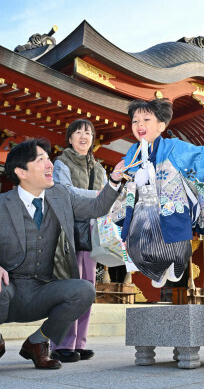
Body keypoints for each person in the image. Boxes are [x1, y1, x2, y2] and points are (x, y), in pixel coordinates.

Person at [0, 139, 122, 369]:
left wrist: (114, 180)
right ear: (21, 172)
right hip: (8, 291)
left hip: (43, 289)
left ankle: (37, 342)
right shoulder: (2, 204)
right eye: (41, 160)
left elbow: (96, 208)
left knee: (84, 290)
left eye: (48, 158)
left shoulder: (60, 196)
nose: (50, 165)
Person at [111, 98, 204, 287]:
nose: (139, 124)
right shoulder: (132, 152)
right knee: (137, 245)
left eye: (146, 120)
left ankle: (177, 265)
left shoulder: (175, 147)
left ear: (161, 126)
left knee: (176, 242)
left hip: (171, 203)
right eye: (135, 121)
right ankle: (155, 271)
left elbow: (199, 155)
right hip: (143, 207)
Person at [49, 119, 107, 363]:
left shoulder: (100, 169)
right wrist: (97, 196)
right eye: (78, 132)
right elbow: (64, 191)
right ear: (69, 137)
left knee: (88, 288)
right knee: (68, 288)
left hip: (91, 233)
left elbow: (108, 198)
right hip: (67, 232)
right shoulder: (62, 162)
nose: (84, 136)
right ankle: (61, 343)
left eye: (89, 133)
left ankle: (79, 343)